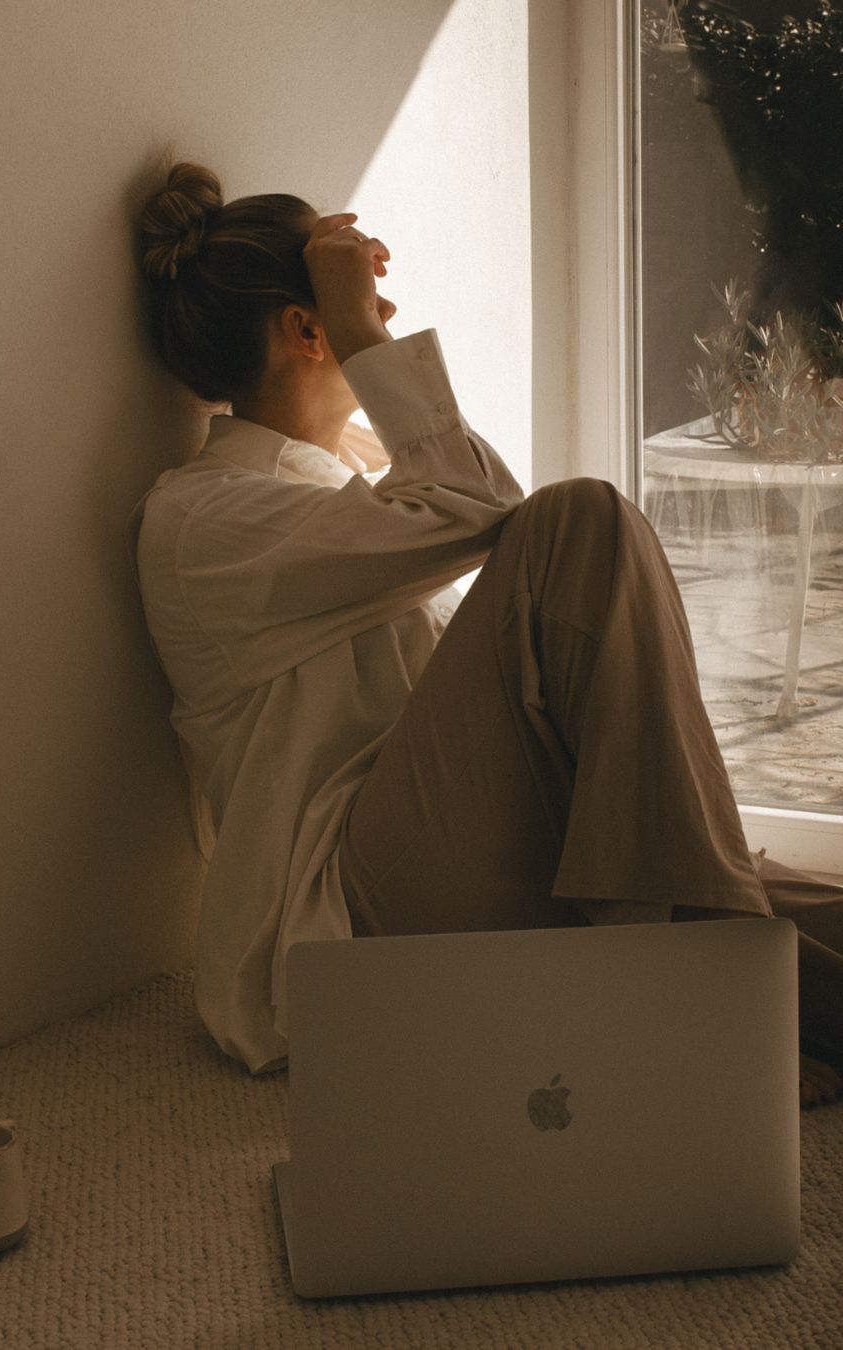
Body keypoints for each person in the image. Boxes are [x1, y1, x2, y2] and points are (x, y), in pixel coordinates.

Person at [129, 159, 843, 1108]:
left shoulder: (347, 469)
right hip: (354, 903)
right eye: (359, 301)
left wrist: (358, 328)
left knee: (800, 929)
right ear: (308, 328)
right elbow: (497, 511)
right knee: (581, 518)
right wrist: (362, 329)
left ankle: (685, 955)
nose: (383, 307)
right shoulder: (206, 517)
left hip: (480, 848)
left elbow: (471, 508)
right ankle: (682, 993)